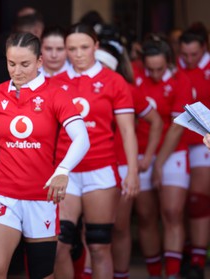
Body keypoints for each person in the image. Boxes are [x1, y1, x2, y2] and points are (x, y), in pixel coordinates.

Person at [0, 32, 90, 279]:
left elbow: (82, 139)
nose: (17, 71)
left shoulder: (56, 94)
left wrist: (62, 170)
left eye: (25, 64)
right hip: (3, 197)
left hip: (42, 198)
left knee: (42, 274)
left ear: (40, 62)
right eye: (11, 64)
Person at [52, 23, 139, 279]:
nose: (78, 54)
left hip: (101, 171)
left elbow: (127, 131)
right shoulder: (54, 83)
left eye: (84, 47)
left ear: (96, 47)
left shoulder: (115, 82)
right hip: (65, 171)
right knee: (60, 245)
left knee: (100, 245)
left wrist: (132, 171)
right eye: (72, 48)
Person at [95, 38, 163, 279]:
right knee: (89, 232)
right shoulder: (75, 87)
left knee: (119, 227)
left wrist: (147, 157)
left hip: (122, 166)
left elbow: (156, 121)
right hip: (89, 168)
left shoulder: (125, 89)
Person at [134, 35, 194, 279]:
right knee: (146, 217)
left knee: (171, 212)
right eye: (150, 69)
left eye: (159, 69)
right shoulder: (135, 75)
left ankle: (173, 273)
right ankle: (153, 273)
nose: (155, 74)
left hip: (172, 152)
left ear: (169, 62)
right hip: (140, 152)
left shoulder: (182, 79)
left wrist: (158, 163)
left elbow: (178, 125)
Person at [178, 22, 210, 279]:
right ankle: (186, 251)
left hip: (204, 142)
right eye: (185, 54)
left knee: (198, 199)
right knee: (179, 204)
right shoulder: (175, 67)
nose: (189, 60)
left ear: (204, 49)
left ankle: (198, 261)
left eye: (194, 55)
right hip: (178, 143)